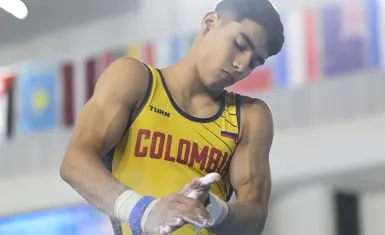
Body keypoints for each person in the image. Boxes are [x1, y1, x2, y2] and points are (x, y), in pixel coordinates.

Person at [59, 0, 284, 234]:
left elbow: (255, 216)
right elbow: (75, 162)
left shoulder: (248, 117)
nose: (242, 65)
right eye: (239, 44)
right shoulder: (134, 80)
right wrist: (144, 211)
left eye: (254, 63)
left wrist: (216, 210)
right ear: (209, 23)